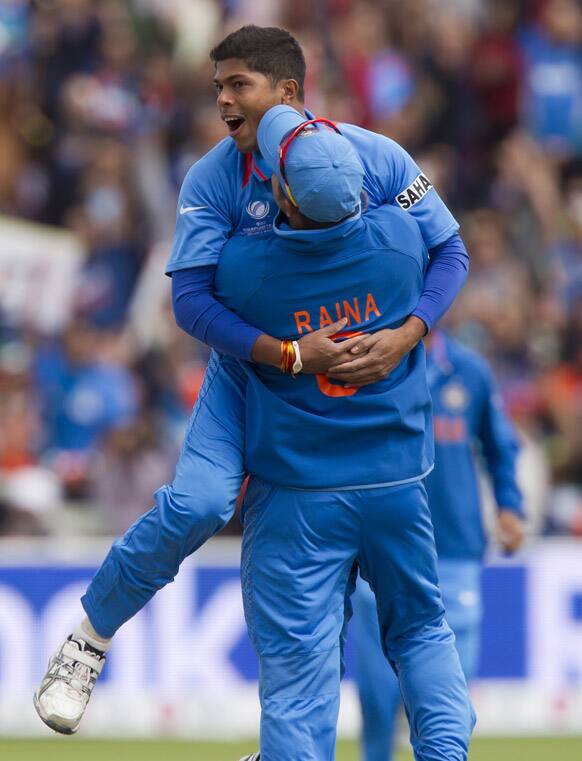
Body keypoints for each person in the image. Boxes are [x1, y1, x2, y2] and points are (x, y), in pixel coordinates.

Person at [34, 25, 469, 736]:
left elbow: (450, 248)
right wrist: (288, 353)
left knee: (340, 620)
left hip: (327, 410)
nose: (224, 102)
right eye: (218, 88)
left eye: (239, 86)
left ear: (288, 91)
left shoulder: (377, 156)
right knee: (200, 502)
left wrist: (410, 329)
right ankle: (88, 637)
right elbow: (192, 303)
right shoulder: (213, 177)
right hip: (248, 370)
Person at [218, 106, 474, 761]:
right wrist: (413, 329)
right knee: (420, 631)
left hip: (302, 493)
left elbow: (196, 303)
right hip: (395, 480)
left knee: (301, 670)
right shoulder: (397, 242)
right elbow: (450, 249)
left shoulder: (248, 272)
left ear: (282, 196)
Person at [352, 329, 525, 761]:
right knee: (378, 701)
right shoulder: (362, 361)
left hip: (454, 551)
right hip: (379, 554)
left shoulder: (470, 372)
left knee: (450, 700)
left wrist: (509, 505)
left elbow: (501, 446)